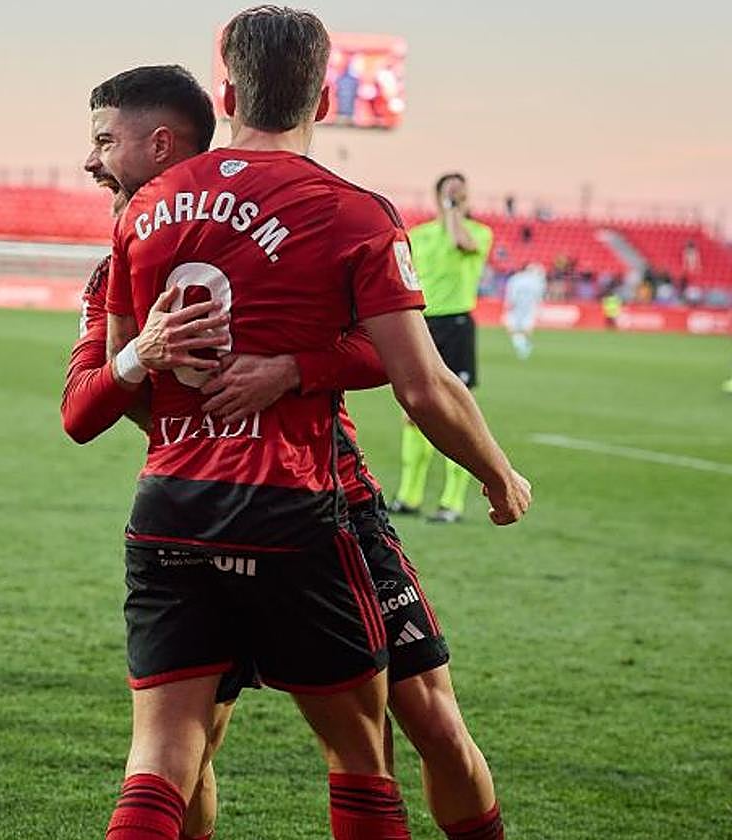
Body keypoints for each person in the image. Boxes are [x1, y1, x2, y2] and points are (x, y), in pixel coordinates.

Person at [100, 8, 530, 838]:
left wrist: (262, 390)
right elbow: (422, 386)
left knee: (162, 758)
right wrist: (499, 477)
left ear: (227, 95)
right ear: (325, 100)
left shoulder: (146, 205)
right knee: (364, 757)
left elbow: (124, 368)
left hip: (173, 506)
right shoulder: (354, 213)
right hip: (298, 503)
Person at [390, 172, 494, 523]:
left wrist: (452, 211)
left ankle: (452, 502)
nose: (456, 197)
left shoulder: (478, 232)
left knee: (455, 415)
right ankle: (409, 496)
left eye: (460, 192)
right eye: (450, 193)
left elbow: (462, 243)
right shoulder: (419, 235)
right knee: (412, 412)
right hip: (422, 324)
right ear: (437, 196)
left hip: (457, 324)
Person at [502, 262, 547, 360]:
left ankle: (522, 346)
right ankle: (524, 345)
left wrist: (509, 303)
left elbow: (511, 293)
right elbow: (540, 296)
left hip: (517, 307)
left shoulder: (516, 279)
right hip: (528, 308)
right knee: (525, 329)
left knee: (512, 328)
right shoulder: (537, 281)